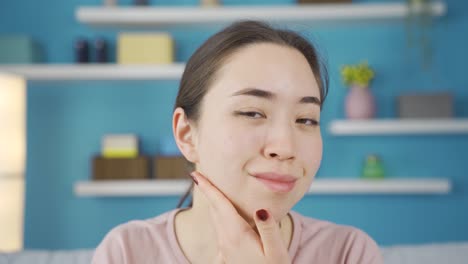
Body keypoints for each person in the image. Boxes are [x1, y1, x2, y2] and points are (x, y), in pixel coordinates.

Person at [92, 20, 384, 264]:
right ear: (186, 134)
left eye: (306, 119)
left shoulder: (349, 253)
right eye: (252, 112)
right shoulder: (125, 252)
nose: (285, 148)